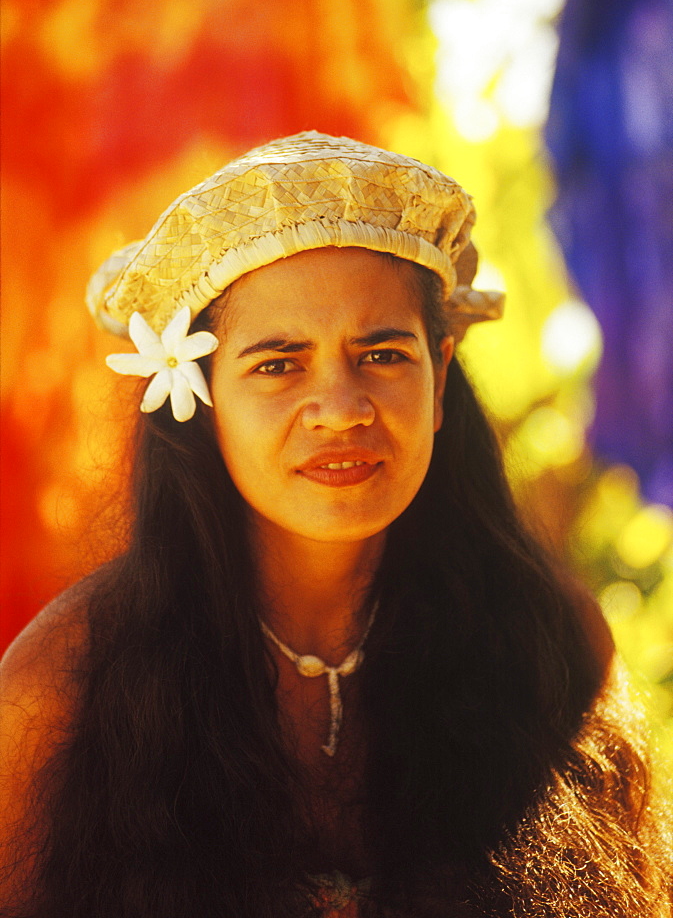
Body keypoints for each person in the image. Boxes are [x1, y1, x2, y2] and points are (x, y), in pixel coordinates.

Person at [1, 132, 670, 918]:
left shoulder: (551, 646)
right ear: (199, 395)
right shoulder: (63, 684)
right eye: (278, 364)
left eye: (382, 354)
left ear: (441, 374)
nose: (343, 409)